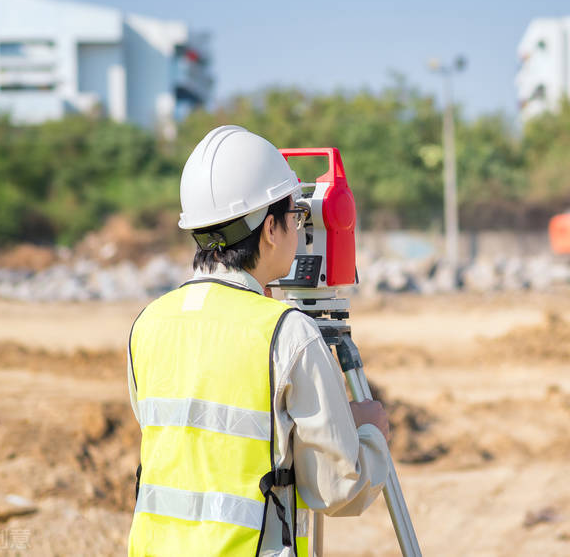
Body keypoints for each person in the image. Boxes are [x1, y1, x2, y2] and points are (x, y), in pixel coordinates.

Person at [126, 125, 390, 556]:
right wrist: (368, 434)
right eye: (296, 217)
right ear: (270, 228)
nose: (299, 230)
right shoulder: (286, 332)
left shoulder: (149, 322)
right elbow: (335, 489)